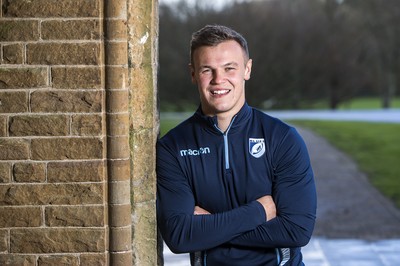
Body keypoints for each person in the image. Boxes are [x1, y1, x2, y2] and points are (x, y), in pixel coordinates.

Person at [156, 24, 317, 266]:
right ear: (192, 74)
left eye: (229, 68)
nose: (218, 80)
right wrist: (259, 212)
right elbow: (180, 236)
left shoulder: (282, 138)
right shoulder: (173, 147)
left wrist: (209, 227)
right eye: (207, 70)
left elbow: (297, 230)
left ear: (247, 69)